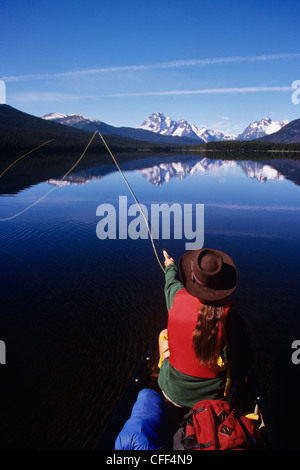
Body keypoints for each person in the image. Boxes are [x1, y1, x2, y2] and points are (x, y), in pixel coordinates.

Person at [158, 248, 252, 409]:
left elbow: (171, 282)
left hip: (171, 392)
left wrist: (170, 265)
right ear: (223, 285)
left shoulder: (176, 297)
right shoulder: (233, 320)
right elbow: (243, 362)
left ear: (192, 279)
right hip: (212, 402)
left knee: (163, 335)